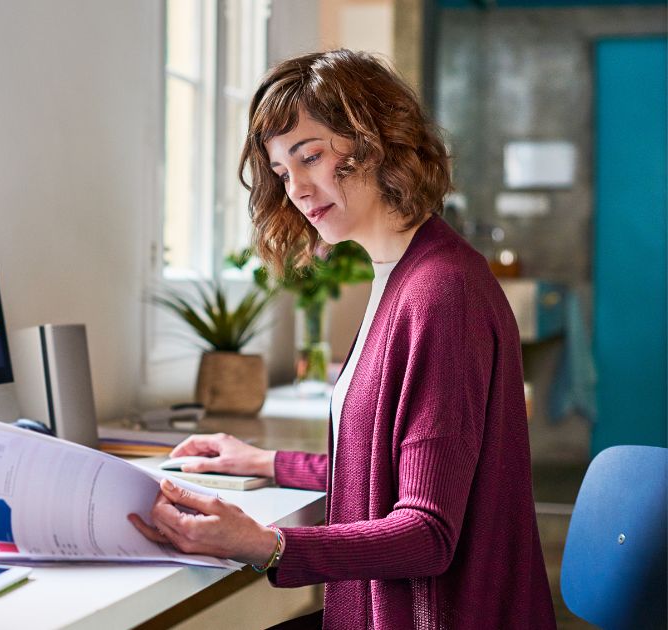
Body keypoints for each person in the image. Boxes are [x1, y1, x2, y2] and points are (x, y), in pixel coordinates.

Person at [129, 49, 556, 629]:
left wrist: (265, 543)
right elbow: (389, 464)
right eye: (283, 172)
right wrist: (265, 460)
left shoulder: (441, 293)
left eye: (311, 157)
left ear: (379, 140)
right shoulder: (399, 271)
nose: (298, 189)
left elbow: (428, 534)